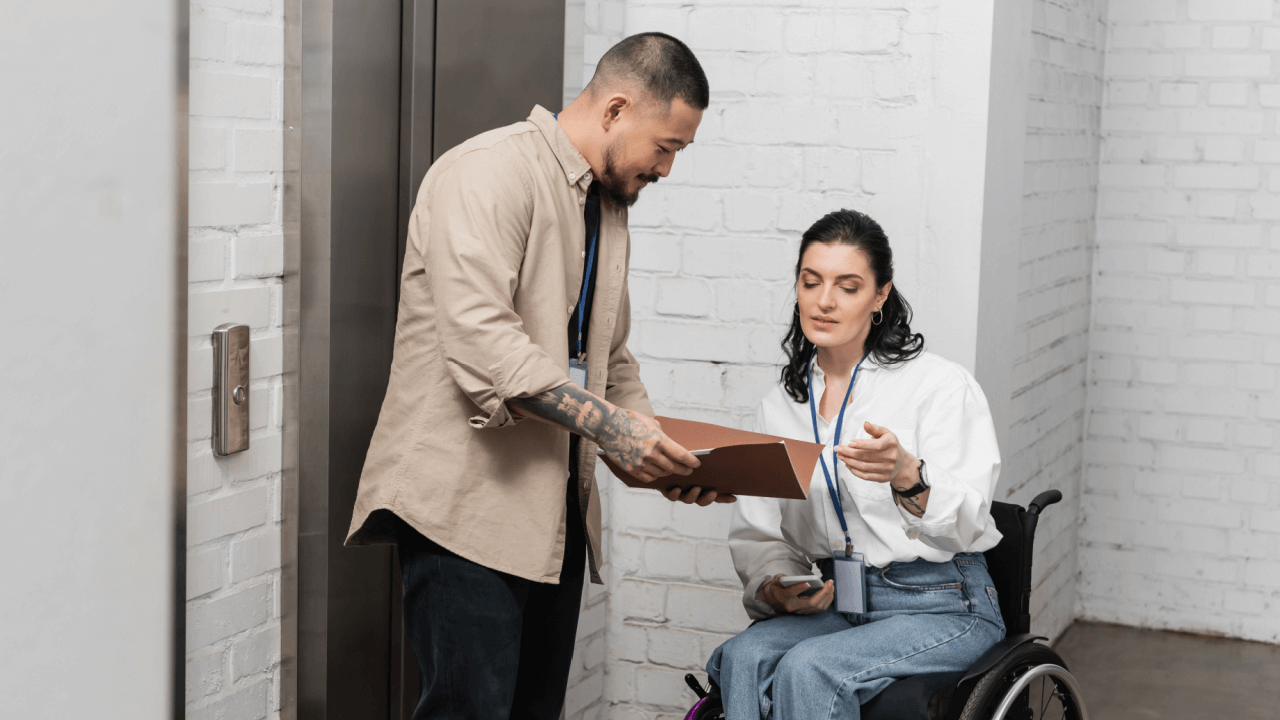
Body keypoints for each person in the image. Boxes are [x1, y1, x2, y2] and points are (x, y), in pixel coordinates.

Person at [345, 33, 732, 720]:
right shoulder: (486, 172)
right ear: (616, 109)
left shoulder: (609, 208)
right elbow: (485, 347)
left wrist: (661, 456)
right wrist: (617, 431)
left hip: (552, 523)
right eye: (667, 147)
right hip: (464, 513)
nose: (667, 169)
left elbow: (609, 355)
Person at [703, 209, 1005, 719]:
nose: (824, 301)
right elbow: (760, 534)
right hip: (842, 601)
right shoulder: (782, 405)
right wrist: (779, 586)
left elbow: (970, 519)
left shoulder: (938, 386)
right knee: (745, 656)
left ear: (880, 296)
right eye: (811, 281)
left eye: (848, 286)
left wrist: (908, 475)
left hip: (943, 603)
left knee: (810, 668)